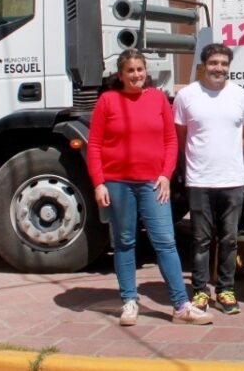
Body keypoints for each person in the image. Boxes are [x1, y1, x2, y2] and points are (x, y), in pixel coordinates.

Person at [86, 48, 212, 326]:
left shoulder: (157, 98)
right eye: (130, 70)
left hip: (153, 183)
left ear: (146, 71)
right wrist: (99, 183)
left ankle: (181, 305)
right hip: (117, 184)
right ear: (120, 75)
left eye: (139, 69)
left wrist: (166, 175)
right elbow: (94, 145)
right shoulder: (107, 101)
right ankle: (129, 301)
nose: (136, 75)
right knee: (124, 242)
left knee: (165, 242)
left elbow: (171, 141)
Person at [174, 43, 244, 316]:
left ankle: (225, 290)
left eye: (223, 63)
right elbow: (181, 137)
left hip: (232, 180)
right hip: (199, 180)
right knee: (201, 240)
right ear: (203, 65)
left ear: (228, 67)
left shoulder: (241, 96)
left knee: (229, 239)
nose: (218, 68)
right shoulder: (186, 96)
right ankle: (200, 291)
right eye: (213, 63)